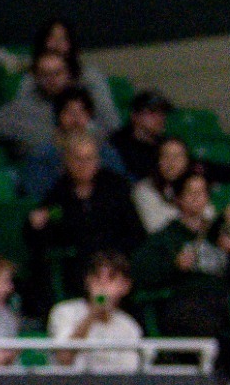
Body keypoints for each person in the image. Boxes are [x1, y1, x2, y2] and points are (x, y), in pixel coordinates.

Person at [26, 132, 145, 311]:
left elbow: (135, 232)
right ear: (66, 161)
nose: (83, 165)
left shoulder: (116, 187)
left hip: (116, 262)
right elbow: (46, 237)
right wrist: (36, 225)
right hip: (78, 268)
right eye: (77, 159)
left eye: (89, 158)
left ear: (97, 160)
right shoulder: (59, 192)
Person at [132, 166, 230, 340]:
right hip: (186, 306)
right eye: (191, 193)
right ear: (179, 198)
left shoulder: (217, 233)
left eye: (202, 192)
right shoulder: (166, 237)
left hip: (222, 303)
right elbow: (140, 272)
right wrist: (174, 266)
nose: (197, 198)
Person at [17, 85, 127, 200]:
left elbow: (121, 188)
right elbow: (37, 195)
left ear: (89, 116)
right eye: (69, 112)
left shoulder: (106, 153)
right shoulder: (42, 155)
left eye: (81, 112)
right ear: (58, 116)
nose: (76, 119)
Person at [48, 251, 144, 374]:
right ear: (87, 282)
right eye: (97, 277)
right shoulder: (64, 312)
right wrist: (92, 316)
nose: (102, 285)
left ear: (125, 286)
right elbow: (64, 358)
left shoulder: (129, 326)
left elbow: (131, 374)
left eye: (111, 278)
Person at [30, 18, 121, 136]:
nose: (57, 44)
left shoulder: (90, 77)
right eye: (51, 38)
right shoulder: (30, 79)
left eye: (63, 39)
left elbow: (111, 122)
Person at [0, 50, 87, 158]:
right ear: (36, 77)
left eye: (57, 73)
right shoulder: (21, 109)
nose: (52, 79)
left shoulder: (84, 105)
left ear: (68, 75)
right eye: (45, 74)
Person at [134, 135, 194, 234]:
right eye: (166, 156)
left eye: (178, 156)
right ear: (158, 160)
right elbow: (156, 227)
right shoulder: (144, 189)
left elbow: (208, 214)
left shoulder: (194, 184)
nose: (172, 162)